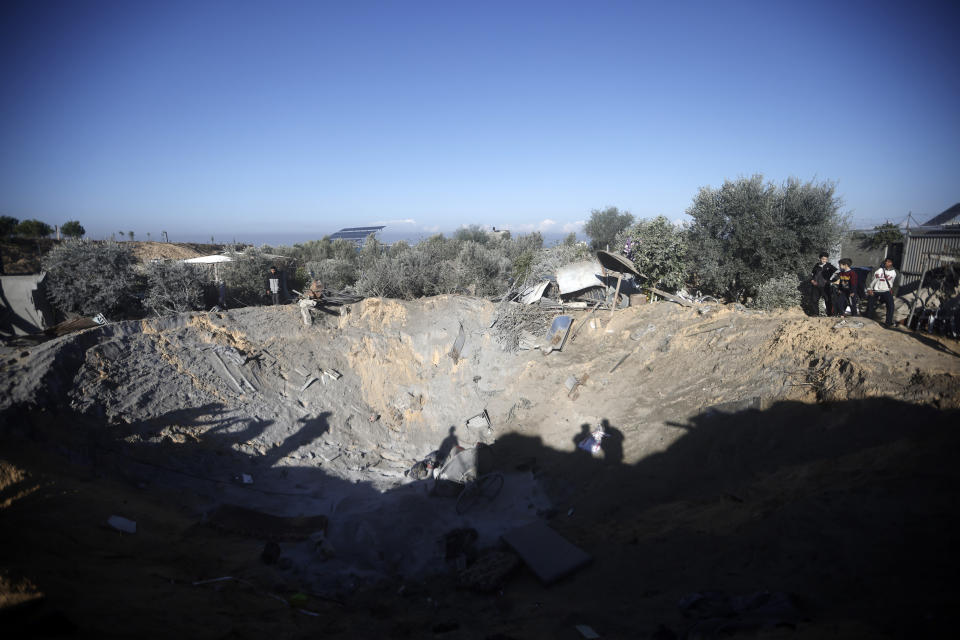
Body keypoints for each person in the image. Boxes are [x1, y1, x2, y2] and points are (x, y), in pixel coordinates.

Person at [866, 258, 897, 326]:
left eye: (889, 262)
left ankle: (888, 322)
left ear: (891, 263)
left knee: (891, 306)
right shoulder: (876, 269)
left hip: (886, 291)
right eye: (886, 261)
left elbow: (896, 284)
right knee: (870, 305)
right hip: (874, 290)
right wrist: (868, 289)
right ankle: (868, 320)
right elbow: (868, 278)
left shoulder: (895, 272)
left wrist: (894, 293)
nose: (886, 263)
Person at [810, 252, 836, 316]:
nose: (824, 260)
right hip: (816, 286)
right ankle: (815, 314)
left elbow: (837, 273)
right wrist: (812, 280)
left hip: (825, 286)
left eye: (825, 259)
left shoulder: (829, 266)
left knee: (828, 300)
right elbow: (812, 274)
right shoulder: (816, 266)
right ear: (819, 258)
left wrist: (830, 281)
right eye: (823, 259)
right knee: (814, 300)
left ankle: (830, 314)